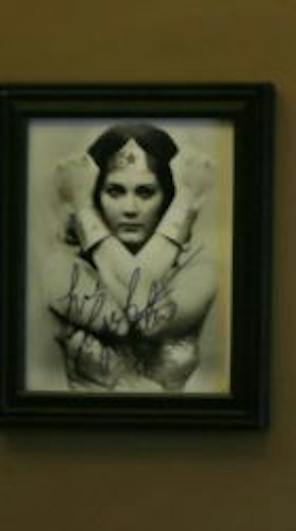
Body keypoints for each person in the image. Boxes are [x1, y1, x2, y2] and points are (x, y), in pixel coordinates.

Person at [46, 123, 221, 392]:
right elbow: (130, 320)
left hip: (179, 430)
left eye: (145, 192)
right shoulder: (62, 266)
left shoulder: (198, 268)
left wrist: (83, 209)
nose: (130, 209)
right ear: (95, 196)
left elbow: (149, 318)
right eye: (114, 191)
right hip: (82, 429)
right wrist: (185, 204)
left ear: (167, 199)